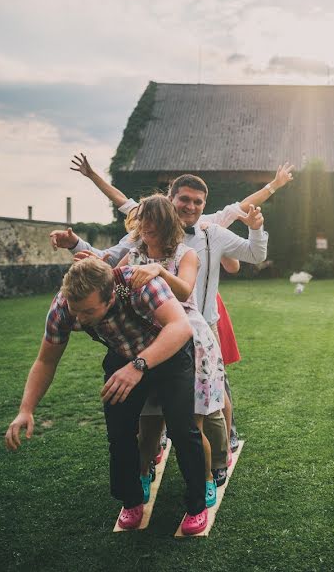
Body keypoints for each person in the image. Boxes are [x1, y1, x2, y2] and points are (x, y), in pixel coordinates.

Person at [50, 160, 282, 483]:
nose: (190, 206)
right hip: (152, 333)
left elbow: (254, 254)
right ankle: (153, 454)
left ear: (203, 205)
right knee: (156, 405)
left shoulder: (210, 232)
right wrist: (77, 244)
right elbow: (109, 256)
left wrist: (256, 225)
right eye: (183, 199)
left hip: (202, 326)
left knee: (213, 400)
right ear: (170, 198)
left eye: (197, 201)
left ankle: (221, 452)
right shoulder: (144, 232)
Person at [5, 257, 211, 535]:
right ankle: (131, 500)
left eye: (88, 311)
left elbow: (180, 327)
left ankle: (197, 505)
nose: (79, 319)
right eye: (76, 311)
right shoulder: (64, 307)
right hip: (123, 354)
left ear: (111, 294)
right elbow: (46, 361)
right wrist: (25, 409)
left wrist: (139, 366)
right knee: (119, 432)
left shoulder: (141, 285)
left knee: (183, 430)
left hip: (169, 352)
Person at [113, 194, 226, 510]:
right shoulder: (133, 254)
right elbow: (113, 284)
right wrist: (94, 270)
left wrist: (158, 272)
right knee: (147, 425)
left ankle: (203, 481)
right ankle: (143, 472)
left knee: (190, 424)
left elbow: (185, 289)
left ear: (165, 223)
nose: (145, 227)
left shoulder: (185, 254)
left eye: (152, 222)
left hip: (187, 341)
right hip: (148, 343)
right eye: (142, 221)